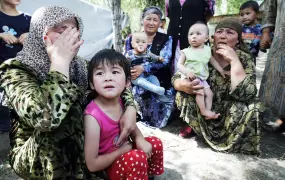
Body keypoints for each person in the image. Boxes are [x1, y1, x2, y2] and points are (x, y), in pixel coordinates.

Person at [0, 6, 137, 179]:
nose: (69, 36)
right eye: (61, 30)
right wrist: (59, 64)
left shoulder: (80, 65)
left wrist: (131, 108)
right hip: (34, 152)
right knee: (66, 114)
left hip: (81, 146)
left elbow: (114, 86)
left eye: (73, 30)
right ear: (42, 35)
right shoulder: (15, 69)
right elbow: (44, 118)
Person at [172, 18, 262, 155]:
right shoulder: (202, 52)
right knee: (182, 94)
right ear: (213, 37)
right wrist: (183, 85)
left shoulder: (244, 58)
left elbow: (247, 94)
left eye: (230, 32)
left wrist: (234, 61)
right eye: (219, 32)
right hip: (203, 105)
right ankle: (197, 128)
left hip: (229, 110)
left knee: (254, 107)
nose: (223, 36)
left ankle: (229, 140)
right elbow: (176, 77)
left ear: (238, 40)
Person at [84, 49, 164, 180]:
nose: (108, 78)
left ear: (127, 82)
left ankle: (147, 176)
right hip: (108, 166)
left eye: (115, 72)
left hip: (127, 154)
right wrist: (121, 151)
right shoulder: (92, 116)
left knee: (155, 143)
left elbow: (130, 126)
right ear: (92, 84)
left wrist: (139, 139)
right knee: (136, 159)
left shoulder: (122, 102)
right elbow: (92, 165)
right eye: (100, 73)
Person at [124, 6, 175, 128]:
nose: (151, 23)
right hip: (137, 81)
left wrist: (143, 68)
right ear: (143, 20)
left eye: (155, 20)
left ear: (160, 23)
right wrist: (129, 74)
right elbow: (124, 60)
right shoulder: (131, 38)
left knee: (160, 122)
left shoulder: (166, 39)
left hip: (160, 82)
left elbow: (165, 61)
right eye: (148, 19)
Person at [177, 22, 227, 119]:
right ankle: (203, 111)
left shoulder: (207, 50)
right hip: (190, 77)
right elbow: (179, 64)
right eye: (191, 34)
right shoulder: (186, 51)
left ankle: (208, 110)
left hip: (202, 78)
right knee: (200, 91)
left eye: (198, 34)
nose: (194, 37)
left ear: (206, 38)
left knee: (210, 94)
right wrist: (187, 72)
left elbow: (212, 61)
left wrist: (221, 71)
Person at [0, 0, 31, 132]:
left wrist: (31, 37)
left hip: (21, 75)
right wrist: (1, 35)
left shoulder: (29, 19)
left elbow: (44, 46)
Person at [165, 0, 215, 73]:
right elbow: (170, 15)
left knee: (197, 73)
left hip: (197, 42)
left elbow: (209, 14)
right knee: (176, 73)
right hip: (174, 40)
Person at [259, 0, 285, 132]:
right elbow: (270, 7)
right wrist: (266, 32)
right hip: (282, 36)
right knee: (277, 74)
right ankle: (274, 119)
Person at [126, 31, 171, 102]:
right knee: (142, 82)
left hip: (147, 75)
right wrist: (128, 72)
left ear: (146, 44)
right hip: (136, 78)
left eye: (143, 42)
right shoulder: (129, 54)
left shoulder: (147, 52)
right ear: (132, 44)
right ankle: (155, 89)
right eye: (137, 42)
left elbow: (153, 57)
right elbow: (124, 65)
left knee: (154, 78)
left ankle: (159, 93)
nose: (140, 44)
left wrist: (159, 58)